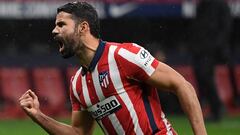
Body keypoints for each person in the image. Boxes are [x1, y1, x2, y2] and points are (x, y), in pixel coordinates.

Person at [19, 1, 207, 135]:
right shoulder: (77, 84)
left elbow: (182, 86)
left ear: (83, 27)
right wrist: (39, 116)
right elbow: (79, 132)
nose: (54, 30)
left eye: (61, 24)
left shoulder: (123, 55)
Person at [188, 0, 233, 121]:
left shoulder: (220, 5)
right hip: (201, 49)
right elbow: (197, 27)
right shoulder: (203, 5)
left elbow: (226, 27)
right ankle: (212, 108)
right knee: (201, 76)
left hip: (211, 50)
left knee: (205, 76)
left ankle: (216, 108)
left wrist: (217, 46)